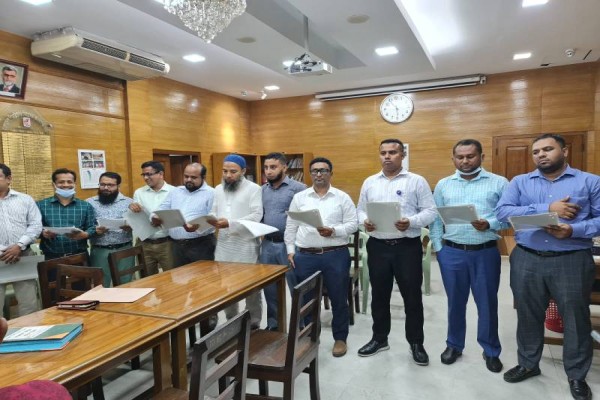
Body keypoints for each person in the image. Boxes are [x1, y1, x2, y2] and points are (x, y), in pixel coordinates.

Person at [496, 133, 600, 400]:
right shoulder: (520, 182)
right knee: (528, 315)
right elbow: (503, 213)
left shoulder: (590, 181)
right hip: (527, 258)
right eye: (536, 151)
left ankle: (576, 375)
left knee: (575, 318)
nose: (541, 154)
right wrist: (548, 208)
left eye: (548, 149)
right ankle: (528, 364)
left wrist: (573, 230)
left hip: (571, 259)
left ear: (564, 151)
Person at [429, 139, 508, 372]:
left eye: (470, 156)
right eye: (460, 157)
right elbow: (436, 220)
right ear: (453, 158)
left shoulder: (499, 183)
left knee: (487, 303)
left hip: (485, 253)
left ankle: (491, 350)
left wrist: (490, 223)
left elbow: (508, 217)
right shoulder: (443, 185)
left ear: (481, 157)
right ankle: (454, 345)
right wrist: (439, 249)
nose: (465, 161)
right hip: (452, 253)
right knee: (455, 302)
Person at [356, 138, 437, 365]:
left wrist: (411, 222)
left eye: (392, 152)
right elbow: (359, 210)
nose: (387, 156)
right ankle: (379, 338)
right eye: (383, 152)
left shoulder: (416, 181)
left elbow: (431, 211)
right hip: (378, 246)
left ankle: (416, 343)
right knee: (379, 296)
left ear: (402, 155)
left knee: (412, 297)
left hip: (406, 247)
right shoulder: (370, 182)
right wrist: (365, 221)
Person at [285, 157, 358, 357]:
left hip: (336, 255)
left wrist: (333, 231)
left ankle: (340, 338)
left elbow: (353, 224)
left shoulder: (342, 197)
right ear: (310, 174)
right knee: (307, 299)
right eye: (315, 171)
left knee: (339, 298)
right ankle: (311, 336)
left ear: (331, 174)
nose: (319, 174)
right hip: (306, 256)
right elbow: (291, 225)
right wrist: (290, 249)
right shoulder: (300, 198)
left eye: (323, 170)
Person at [209, 154, 263, 329]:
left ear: (243, 171)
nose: (228, 175)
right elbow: (213, 211)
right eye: (225, 171)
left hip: (246, 244)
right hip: (224, 244)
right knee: (226, 285)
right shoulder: (218, 189)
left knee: (251, 286)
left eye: (233, 171)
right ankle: (232, 320)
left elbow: (256, 215)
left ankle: (253, 321)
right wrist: (211, 219)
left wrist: (230, 223)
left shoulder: (254, 189)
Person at [260, 152, 306, 331]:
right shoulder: (262, 190)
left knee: (297, 287)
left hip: (291, 246)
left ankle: (302, 327)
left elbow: (305, 218)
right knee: (270, 289)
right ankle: (274, 326)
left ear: (284, 167)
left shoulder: (299, 188)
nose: (268, 171)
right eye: (266, 167)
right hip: (267, 244)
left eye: (273, 167)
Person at [0, 163, 42, 317]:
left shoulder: (25, 199)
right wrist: (4, 251)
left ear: (9, 179)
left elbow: (36, 225)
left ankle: (28, 331)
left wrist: (19, 245)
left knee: (29, 305)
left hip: (23, 256)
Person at [153, 163, 215, 266]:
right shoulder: (176, 191)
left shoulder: (211, 193)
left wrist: (198, 226)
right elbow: (161, 208)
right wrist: (155, 217)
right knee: (178, 276)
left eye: (193, 177)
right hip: (176, 246)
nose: (189, 180)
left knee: (203, 275)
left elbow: (214, 217)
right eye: (186, 176)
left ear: (203, 177)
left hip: (201, 246)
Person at [87, 172, 133, 287]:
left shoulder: (129, 202)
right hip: (100, 250)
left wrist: (131, 226)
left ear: (118, 186)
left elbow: (138, 223)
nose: (106, 188)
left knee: (125, 284)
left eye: (110, 185)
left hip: (124, 248)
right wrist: (95, 230)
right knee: (101, 285)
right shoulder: (89, 203)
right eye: (102, 184)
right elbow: (86, 226)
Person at [37, 168, 96, 260]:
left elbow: (92, 227)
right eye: (61, 182)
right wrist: (43, 233)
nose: (65, 185)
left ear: (75, 184)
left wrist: (85, 234)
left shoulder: (86, 206)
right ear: (53, 184)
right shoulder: (41, 205)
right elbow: (33, 228)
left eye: (69, 182)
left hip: (79, 257)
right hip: (51, 257)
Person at [129, 161, 175, 273]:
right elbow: (136, 216)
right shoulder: (139, 192)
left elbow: (178, 217)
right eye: (144, 174)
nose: (145, 178)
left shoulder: (174, 191)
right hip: (144, 243)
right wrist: (132, 207)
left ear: (161, 174)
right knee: (147, 278)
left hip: (167, 243)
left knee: (172, 277)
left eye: (149, 174)